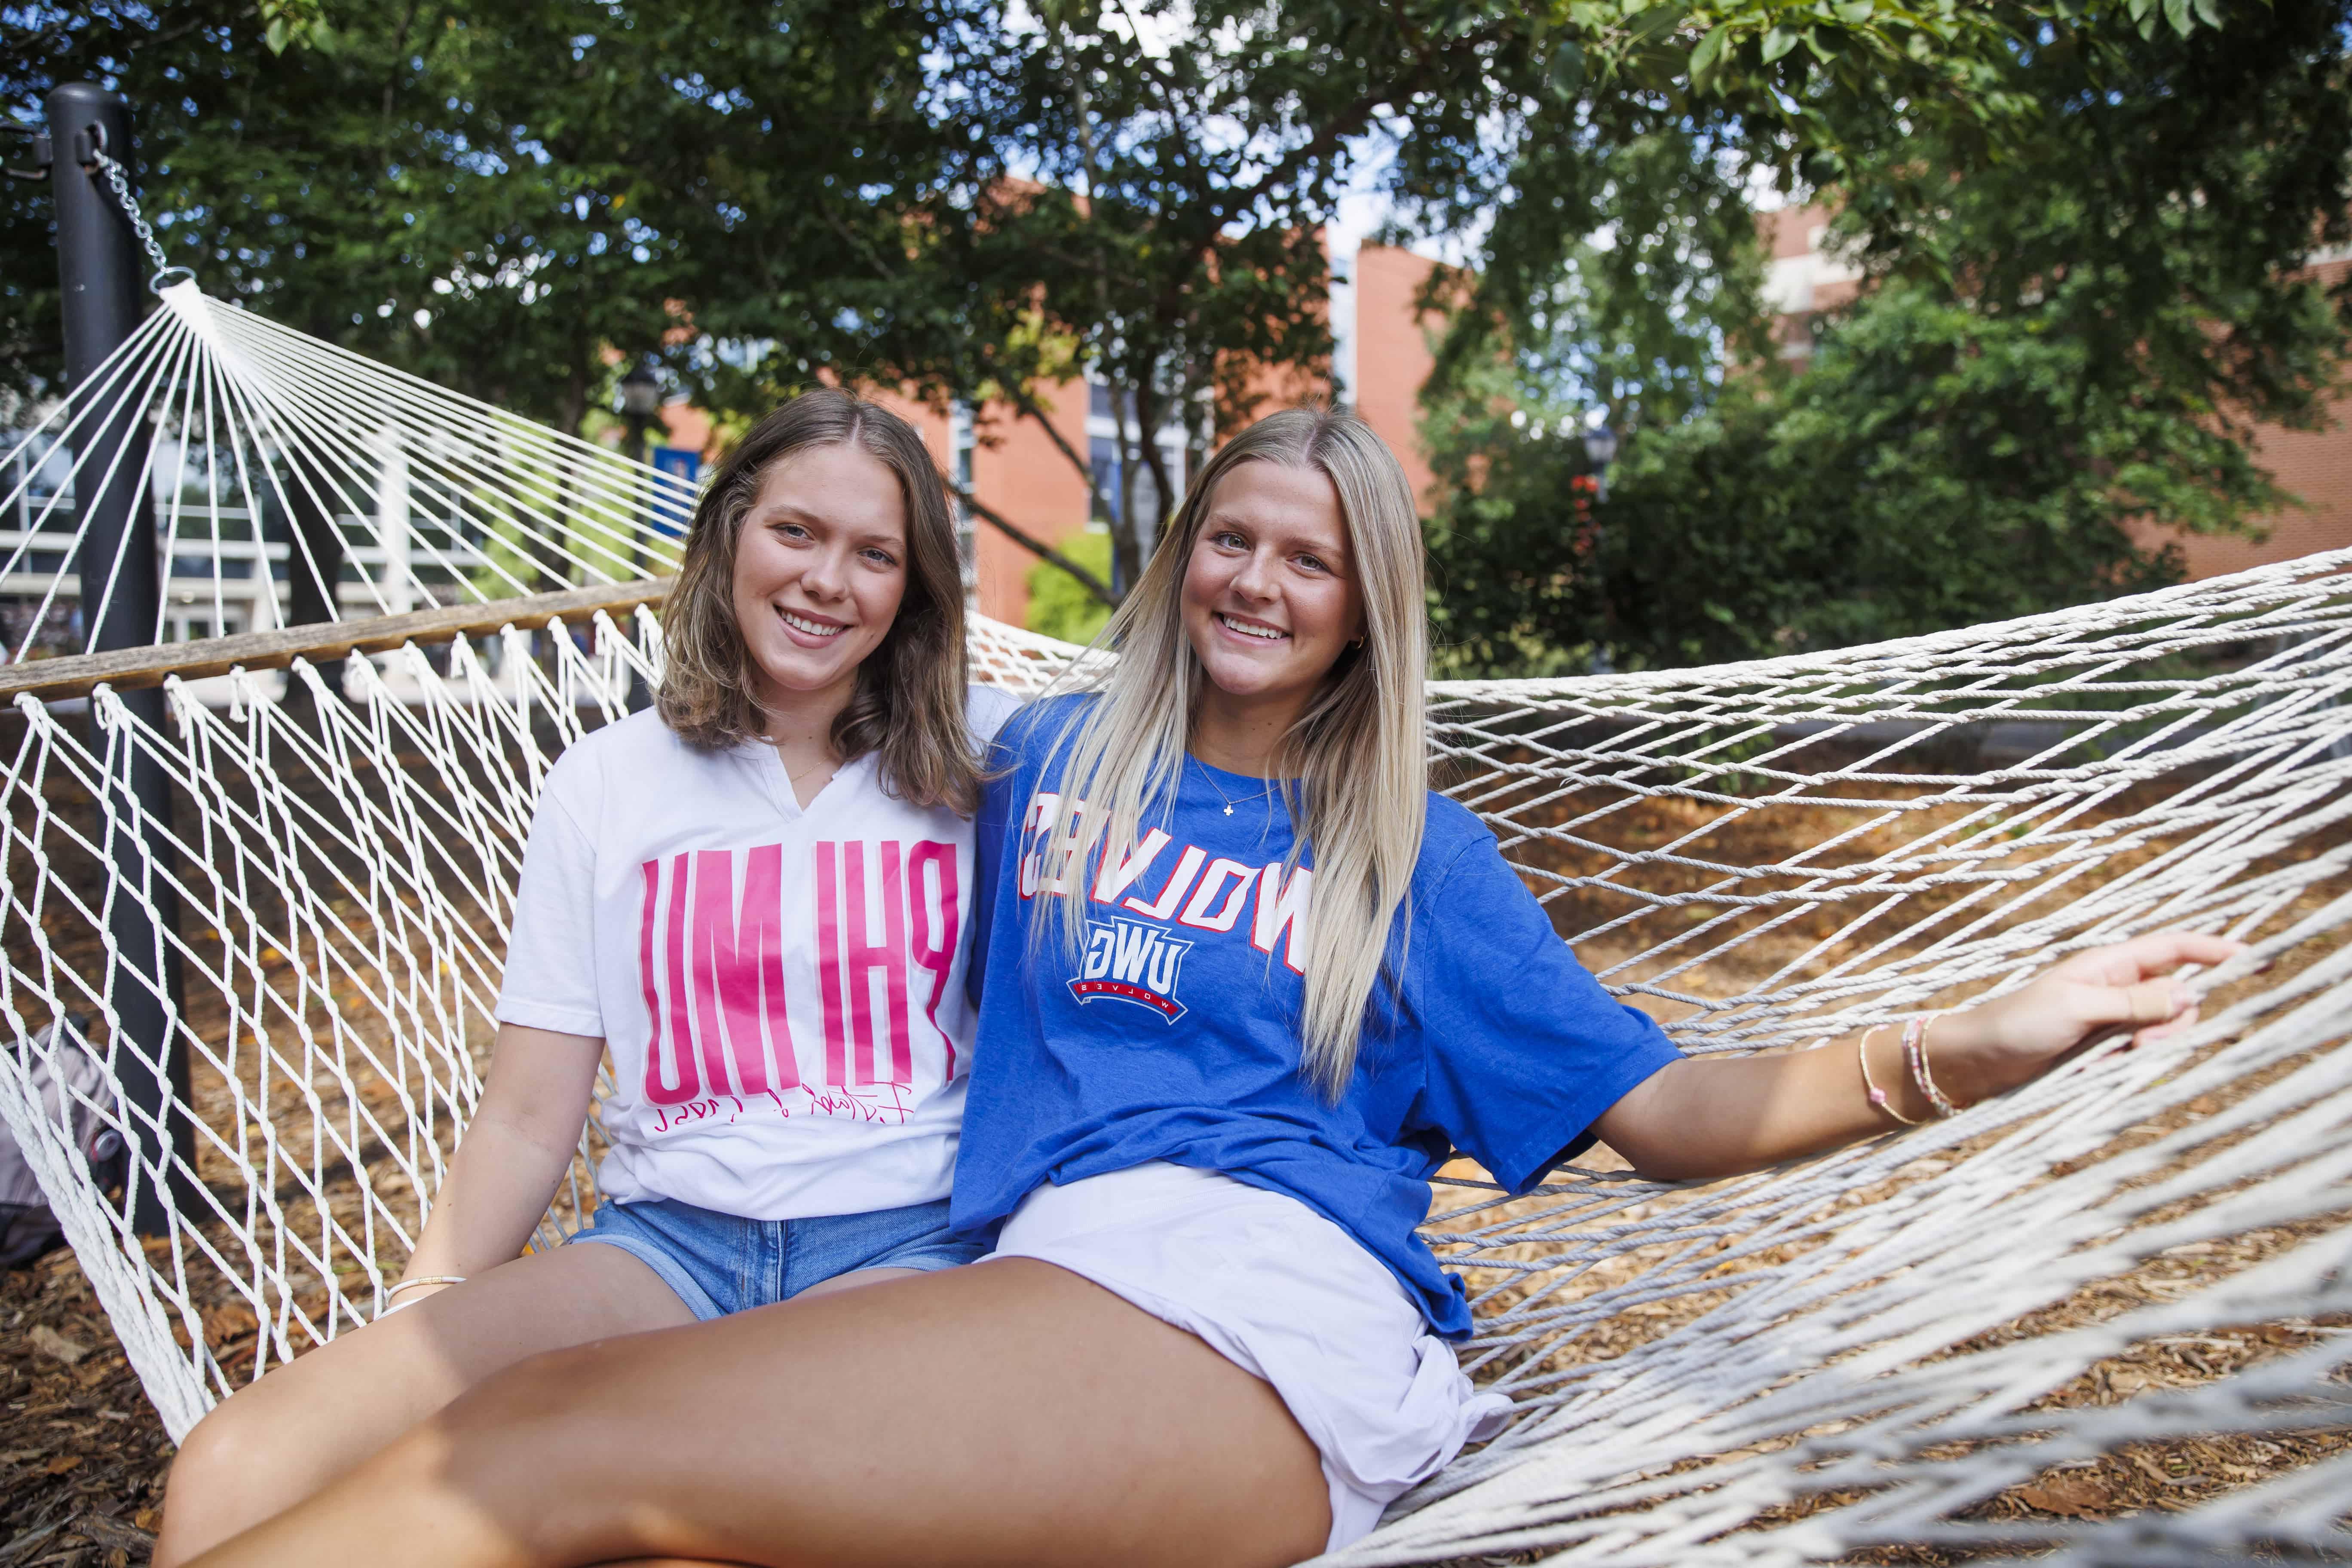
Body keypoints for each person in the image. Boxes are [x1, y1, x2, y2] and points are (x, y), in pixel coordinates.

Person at [178, 407, 2236, 1568]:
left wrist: (1963, 1042)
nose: (1260, 580)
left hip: (1258, 1313)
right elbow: (808, 764)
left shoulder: (1406, 857)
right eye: (1232, 541)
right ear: (1181, 568)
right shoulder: (1039, 769)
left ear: (1363, 612)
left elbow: (1668, 1116)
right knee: (258, 1488)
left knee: (545, 1462)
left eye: (1311, 560)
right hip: (1026, 1276)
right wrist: (747, 629)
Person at [156, 389, 1018, 1566]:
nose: (828, 580)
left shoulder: (994, 764)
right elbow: (527, 1106)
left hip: (903, 1252)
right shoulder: (609, 781)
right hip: (666, 1249)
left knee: (679, 1524)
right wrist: (435, 1296)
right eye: (797, 533)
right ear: (729, 536)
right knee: (237, 1471)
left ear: (911, 592)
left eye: (876, 555)